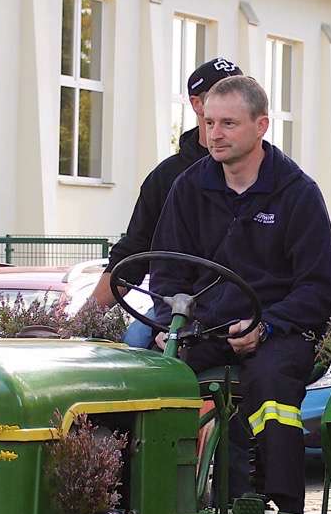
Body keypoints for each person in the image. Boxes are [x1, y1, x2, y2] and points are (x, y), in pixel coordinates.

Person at [149, 75, 331, 514]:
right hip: (204, 328)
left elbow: (317, 291)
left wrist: (267, 326)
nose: (215, 134)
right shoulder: (190, 189)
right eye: (209, 122)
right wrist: (169, 324)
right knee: (151, 381)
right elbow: (165, 271)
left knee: (271, 393)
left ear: (261, 125)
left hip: (280, 331)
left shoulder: (297, 193)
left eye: (228, 123)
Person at [91, 57, 243, 345]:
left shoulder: (274, 176)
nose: (230, 99)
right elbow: (133, 254)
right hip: (177, 309)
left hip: (247, 311)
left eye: (239, 90)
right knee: (135, 345)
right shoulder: (168, 177)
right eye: (220, 92)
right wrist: (79, 320)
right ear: (197, 104)